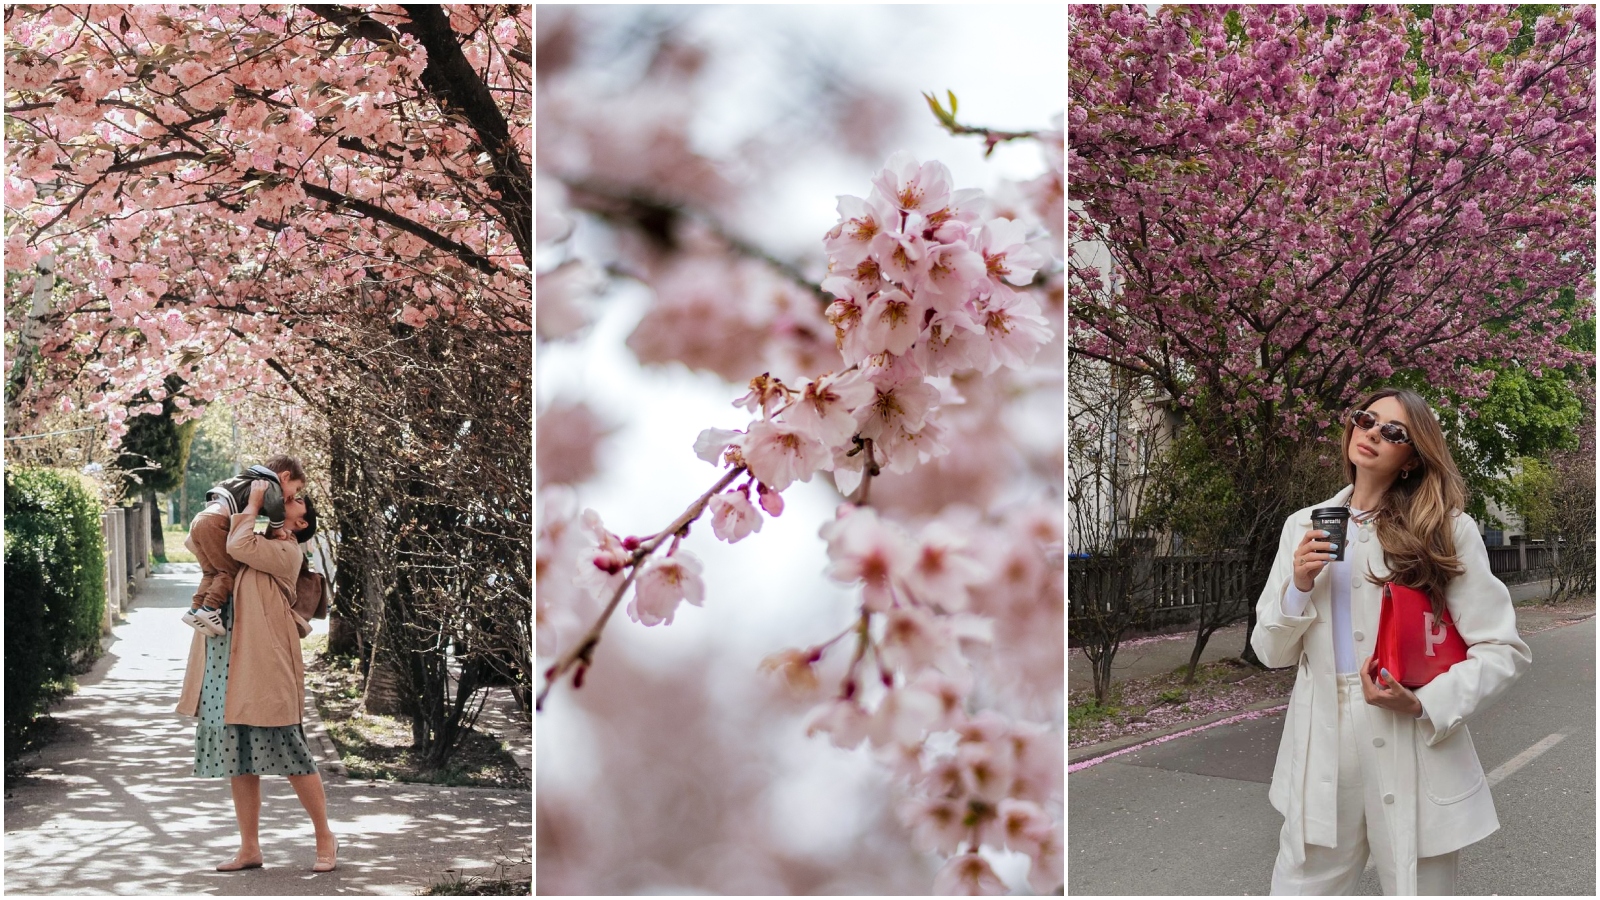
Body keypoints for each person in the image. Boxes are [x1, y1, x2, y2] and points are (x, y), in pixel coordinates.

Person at [1252, 387, 1530, 896]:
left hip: (1410, 735)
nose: (1373, 433)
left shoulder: (1444, 530)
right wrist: (1299, 586)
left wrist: (1424, 702)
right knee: (1300, 886)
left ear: (1411, 458)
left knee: (1415, 886)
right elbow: (1271, 653)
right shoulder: (1302, 526)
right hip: (1320, 740)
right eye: (1366, 419)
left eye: (1393, 432)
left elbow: (1502, 649)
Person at [174, 479, 338, 873]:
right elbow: (203, 545)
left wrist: (256, 503)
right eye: (291, 496)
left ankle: (324, 836)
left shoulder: (285, 550)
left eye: (297, 502)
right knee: (239, 759)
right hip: (225, 658)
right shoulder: (252, 536)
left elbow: (235, 545)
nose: (290, 502)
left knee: (292, 753)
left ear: (301, 524)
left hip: (264, 664)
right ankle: (249, 848)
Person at [182, 456, 309, 636]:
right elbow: (274, 507)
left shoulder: (248, 478)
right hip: (215, 523)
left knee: (212, 572)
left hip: (202, 519)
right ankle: (209, 609)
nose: (293, 495)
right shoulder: (269, 485)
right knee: (227, 571)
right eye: (296, 489)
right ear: (285, 476)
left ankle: (195, 610)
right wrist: (277, 528)